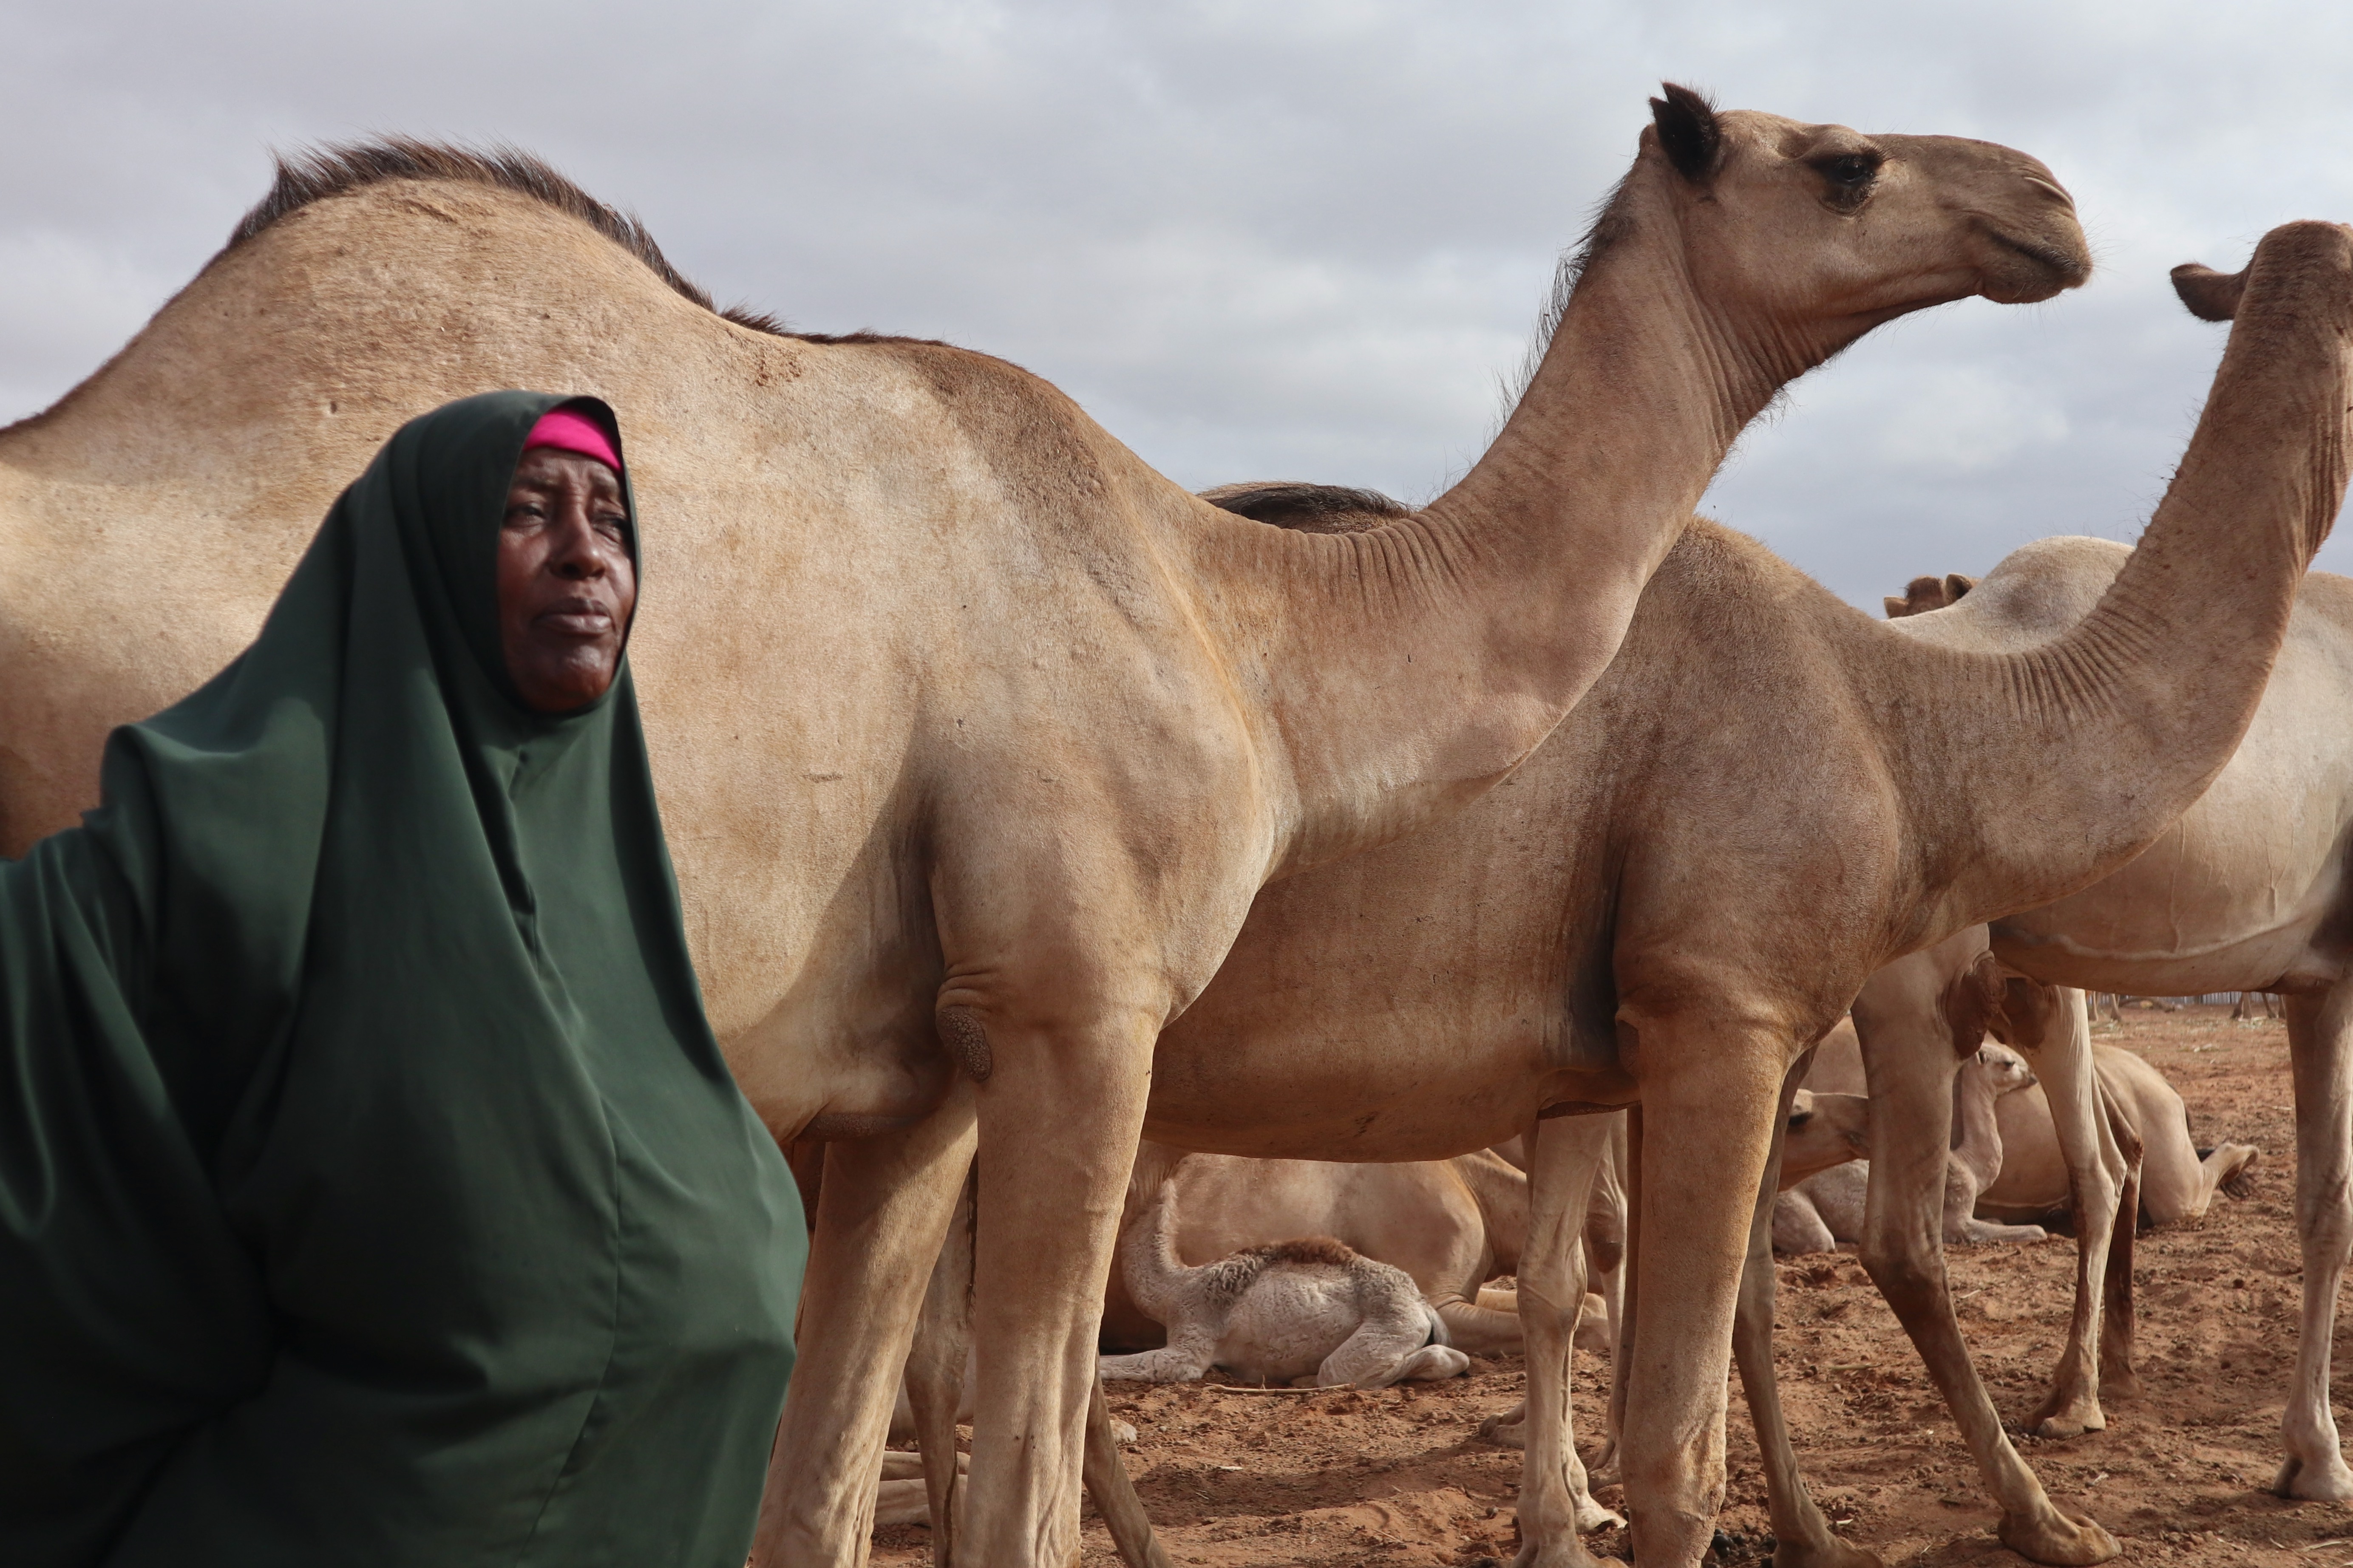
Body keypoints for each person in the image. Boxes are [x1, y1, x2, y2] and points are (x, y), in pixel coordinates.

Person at [0, 392, 805, 1567]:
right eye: (527, 512)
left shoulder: (611, 872)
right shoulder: (248, 826)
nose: (585, 551)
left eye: (614, 523)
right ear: (425, 560)